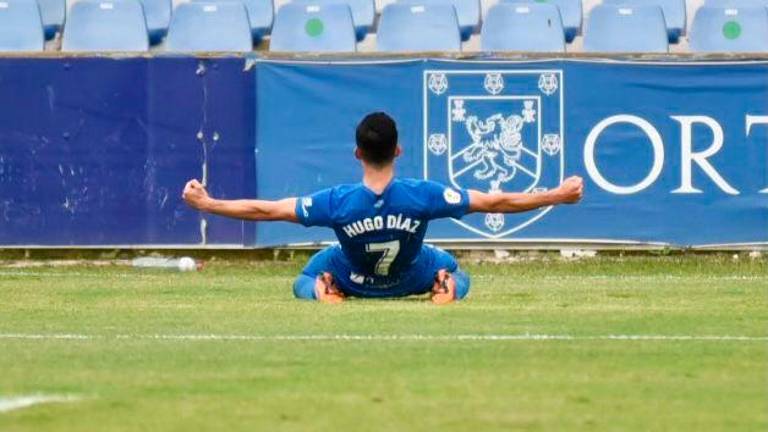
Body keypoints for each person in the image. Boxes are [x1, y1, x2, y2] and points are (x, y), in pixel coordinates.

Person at [182, 112, 583, 304]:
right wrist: (556, 195)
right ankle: (446, 286)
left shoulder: (336, 202)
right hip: (411, 275)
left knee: (303, 275)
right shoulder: (423, 195)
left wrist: (208, 203)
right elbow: (494, 201)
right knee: (460, 271)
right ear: (398, 150)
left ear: (357, 153)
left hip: (353, 275)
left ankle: (323, 291)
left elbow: (266, 211)